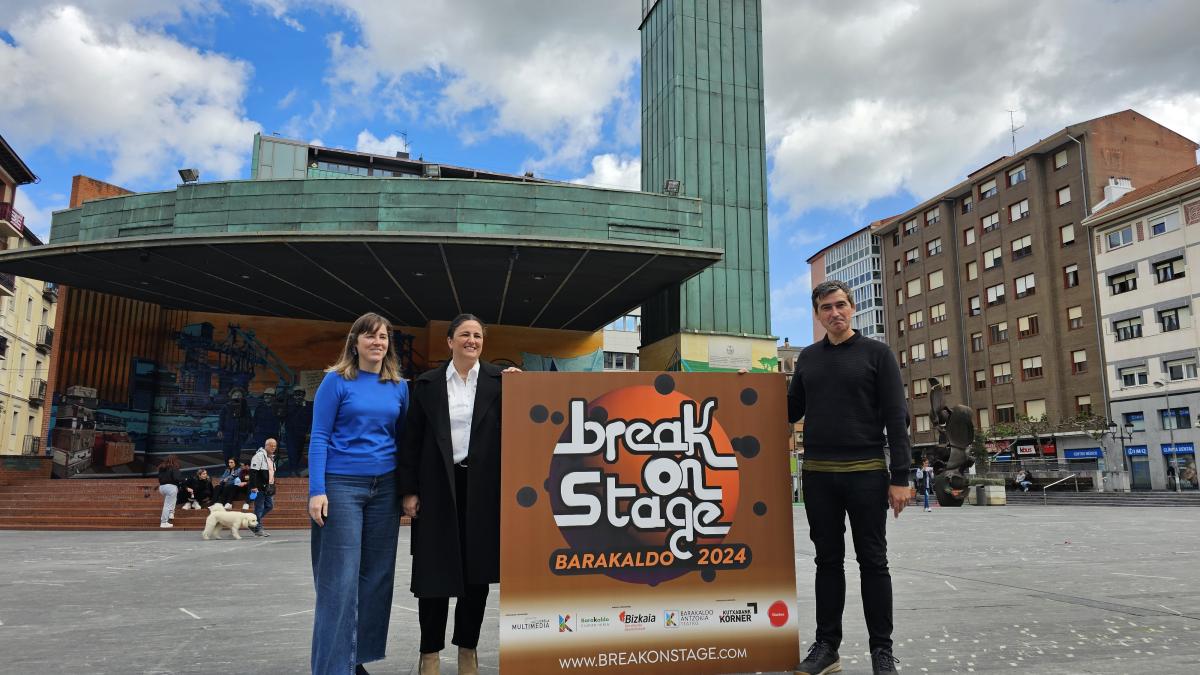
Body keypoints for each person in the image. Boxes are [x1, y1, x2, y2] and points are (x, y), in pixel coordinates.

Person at [790, 280, 908, 675]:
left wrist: (901, 477)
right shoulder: (807, 358)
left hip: (867, 474)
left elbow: (896, 418)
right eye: (826, 307)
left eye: (840, 305)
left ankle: (882, 652)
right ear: (818, 314)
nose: (834, 313)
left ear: (852, 308)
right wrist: (750, 384)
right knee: (827, 562)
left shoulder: (878, 354)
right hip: (819, 475)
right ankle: (828, 648)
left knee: (874, 562)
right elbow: (789, 410)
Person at [401, 314, 511, 675]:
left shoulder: (500, 380)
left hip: (483, 491)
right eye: (465, 334)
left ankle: (468, 651)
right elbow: (411, 441)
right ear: (449, 341)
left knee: (475, 577)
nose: (472, 340)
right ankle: (429, 655)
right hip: (437, 488)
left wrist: (525, 387)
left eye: (478, 335)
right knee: (434, 576)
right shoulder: (428, 384)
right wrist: (410, 490)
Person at [308, 312, 409, 675]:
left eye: (383, 337)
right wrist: (317, 490)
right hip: (342, 486)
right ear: (355, 342)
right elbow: (319, 436)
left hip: (385, 489)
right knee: (339, 580)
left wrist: (407, 490)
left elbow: (402, 440)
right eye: (370, 337)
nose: (377, 342)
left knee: (377, 578)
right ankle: (332, 668)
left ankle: (356, 659)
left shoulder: (399, 385)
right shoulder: (336, 382)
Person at [249, 438, 278, 537]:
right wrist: (253, 486)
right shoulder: (259, 456)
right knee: (259, 508)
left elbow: (271, 473)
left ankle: (252, 522)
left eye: (275, 446)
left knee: (269, 506)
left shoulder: (271, 458)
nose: (273, 447)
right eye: (271, 445)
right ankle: (258, 529)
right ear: (266, 445)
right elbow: (253, 472)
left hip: (268, 487)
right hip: (259, 487)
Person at [156, 455, 183, 528]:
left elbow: (159, 478)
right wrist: (184, 479)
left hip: (162, 487)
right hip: (171, 487)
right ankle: (164, 522)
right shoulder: (174, 467)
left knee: (170, 501)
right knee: (167, 505)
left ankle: (171, 513)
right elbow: (177, 478)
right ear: (175, 460)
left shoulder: (162, 468)